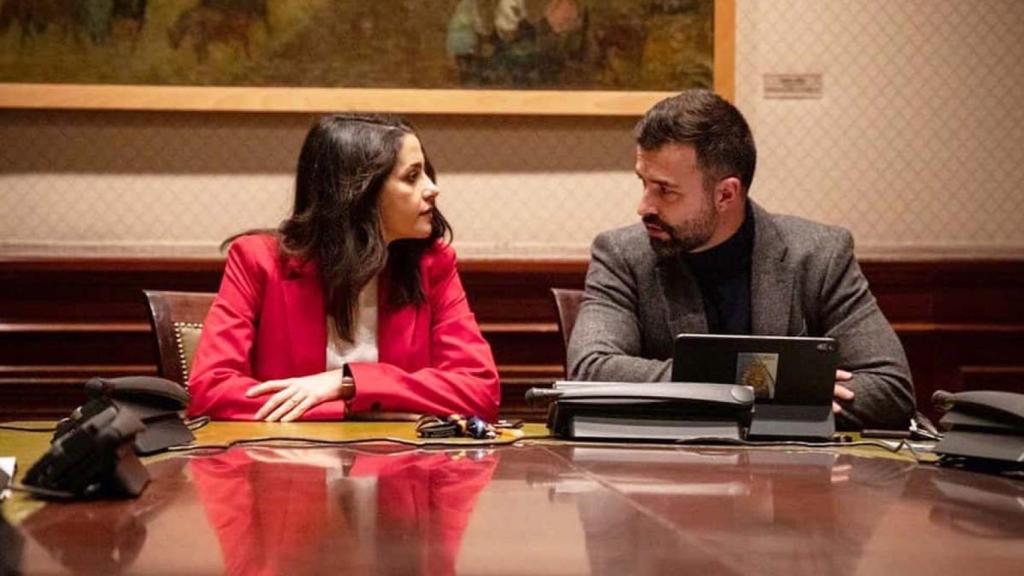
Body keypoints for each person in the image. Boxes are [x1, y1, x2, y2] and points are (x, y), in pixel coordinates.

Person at [567, 90, 915, 430]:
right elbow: (591, 370)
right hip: (667, 474)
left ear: (725, 194)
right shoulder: (621, 254)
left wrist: (711, 390)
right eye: (643, 183)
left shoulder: (819, 254)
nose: (644, 207)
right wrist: (768, 386)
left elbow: (890, 387)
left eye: (665, 190)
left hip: (792, 480)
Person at [187, 114, 500, 423]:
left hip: (400, 467)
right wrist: (354, 408)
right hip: (284, 465)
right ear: (358, 192)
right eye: (412, 176)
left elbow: (480, 391)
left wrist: (348, 383)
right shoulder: (257, 261)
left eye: (427, 173)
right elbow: (211, 390)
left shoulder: (433, 264)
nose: (432, 188)